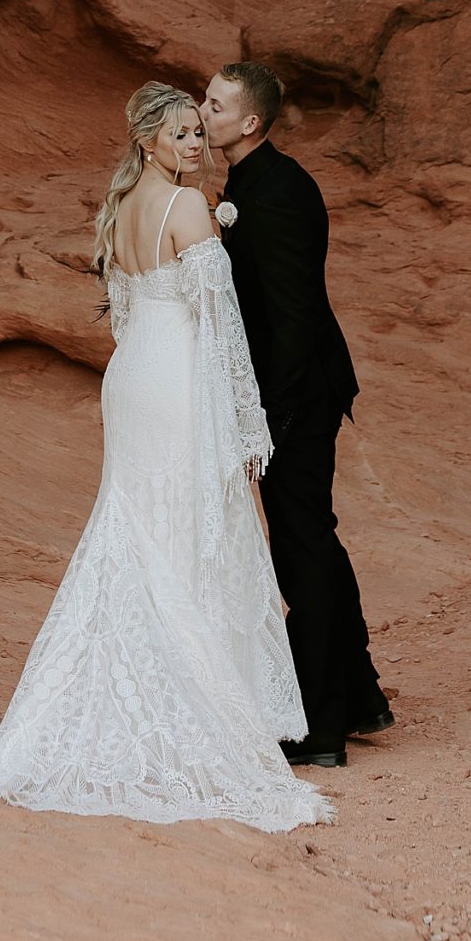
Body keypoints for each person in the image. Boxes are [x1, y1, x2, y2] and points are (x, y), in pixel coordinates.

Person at [0, 82, 332, 829]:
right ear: (148, 142)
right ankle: (189, 698)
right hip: (176, 380)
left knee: (136, 522)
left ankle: (124, 682)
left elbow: (128, 310)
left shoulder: (122, 210)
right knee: (184, 529)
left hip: (133, 374)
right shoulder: (187, 208)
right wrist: (244, 424)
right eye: (179, 134)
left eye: (196, 134)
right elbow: (223, 326)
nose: (193, 144)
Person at [197, 59, 389, 769]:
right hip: (292, 390)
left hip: (297, 394)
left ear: (248, 122)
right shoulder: (252, 181)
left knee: (300, 546)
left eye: (214, 105)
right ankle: (359, 694)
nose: (202, 111)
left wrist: (270, 419)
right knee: (313, 537)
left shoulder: (274, 192)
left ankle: (322, 728)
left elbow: (293, 316)